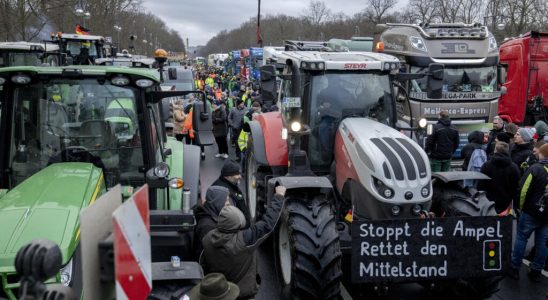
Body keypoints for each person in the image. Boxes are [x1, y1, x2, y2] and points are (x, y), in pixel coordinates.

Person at [201, 185, 286, 299]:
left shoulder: (207, 238)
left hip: (220, 292)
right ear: (239, 224)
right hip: (242, 294)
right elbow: (267, 224)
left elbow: (203, 264)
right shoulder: (245, 240)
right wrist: (279, 196)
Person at [509, 143, 548, 282]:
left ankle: (514, 268)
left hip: (531, 212)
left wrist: (519, 207)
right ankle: (536, 270)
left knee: (521, 238)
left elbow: (523, 190)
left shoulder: (535, 168)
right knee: (543, 243)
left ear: (542, 153)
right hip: (547, 215)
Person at [477, 141, 520, 214]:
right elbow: (516, 187)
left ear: (495, 150)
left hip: (488, 202)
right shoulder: (513, 167)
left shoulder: (486, 165)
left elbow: (480, 185)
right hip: (507, 203)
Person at [194, 186, 231, 258]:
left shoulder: (209, 213)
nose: (228, 203)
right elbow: (209, 255)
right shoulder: (208, 227)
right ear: (217, 201)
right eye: (226, 200)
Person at [212, 161, 251, 227]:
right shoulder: (223, 193)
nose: (240, 177)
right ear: (227, 176)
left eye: (239, 173)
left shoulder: (230, 184)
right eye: (237, 174)